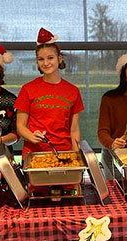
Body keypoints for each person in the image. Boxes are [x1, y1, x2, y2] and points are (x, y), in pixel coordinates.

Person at [15, 28, 84, 158]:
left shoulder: (73, 91)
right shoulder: (27, 89)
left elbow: (74, 130)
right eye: (41, 59)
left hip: (64, 154)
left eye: (50, 58)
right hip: (34, 155)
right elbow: (20, 126)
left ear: (59, 59)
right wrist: (31, 136)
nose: (46, 63)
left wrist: (77, 156)